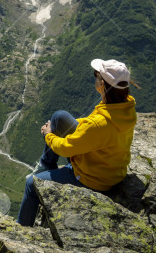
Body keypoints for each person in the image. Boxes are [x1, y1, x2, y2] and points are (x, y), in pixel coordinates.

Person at [16, 58, 138, 226]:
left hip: (93, 178)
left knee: (31, 184)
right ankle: (45, 167)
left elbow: (66, 149)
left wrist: (48, 135)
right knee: (59, 117)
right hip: (110, 168)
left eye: (96, 75)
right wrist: (78, 127)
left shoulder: (98, 124)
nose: (94, 78)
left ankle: (22, 230)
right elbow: (95, 129)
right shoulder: (126, 106)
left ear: (102, 83)